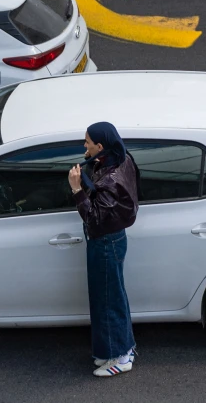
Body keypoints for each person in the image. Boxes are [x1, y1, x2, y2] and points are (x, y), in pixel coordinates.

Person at [67, 121, 140, 377]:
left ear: (100, 146)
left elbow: (94, 218)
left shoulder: (110, 178)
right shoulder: (119, 159)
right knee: (111, 297)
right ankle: (115, 349)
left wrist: (77, 189)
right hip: (113, 238)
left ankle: (120, 356)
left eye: (87, 142)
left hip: (106, 241)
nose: (83, 145)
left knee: (108, 300)